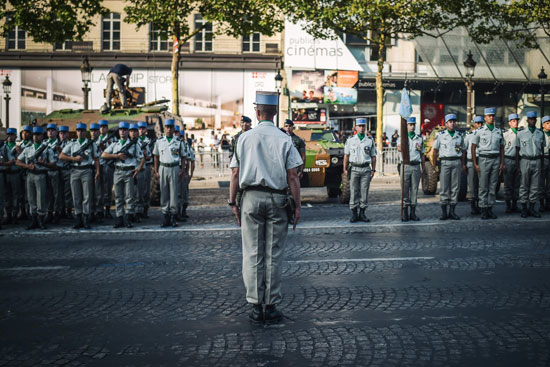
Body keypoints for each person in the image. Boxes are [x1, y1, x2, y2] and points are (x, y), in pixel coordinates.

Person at [229, 91, 302, 324]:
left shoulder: (245, 138)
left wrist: (233, 202)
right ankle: (270, 306)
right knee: (273, 254)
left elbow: (235, 173)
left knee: (252, 252)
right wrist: (298, 205)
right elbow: (293, 176)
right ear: (275, 113)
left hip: (250, 198)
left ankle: (254, 304)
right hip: (278, 200)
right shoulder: (284, 138)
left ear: (257, 112)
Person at [102, 122, 144, 228]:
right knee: (118, 196)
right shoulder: (115, 144)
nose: (122, 131)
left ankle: (129, 218)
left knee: (129, 196)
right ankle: (119, 218)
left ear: (128, 131)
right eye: (121, 130)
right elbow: (103, 155)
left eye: (125, 130)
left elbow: (142, 157)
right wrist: (116, 156)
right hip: (118, 172)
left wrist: (138, 169)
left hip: (129, 172)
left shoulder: (134, 144)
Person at [59, 123, 100, 229]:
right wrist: (74, 159)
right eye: (78, 130)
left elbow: (96, 158)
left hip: (86, 170)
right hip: (75, 170)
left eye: (82, 130)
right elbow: (61, 156)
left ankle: (86, 218)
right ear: (76, 132)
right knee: (76, 196)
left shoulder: (91, 144)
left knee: (87, 196)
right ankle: (78, 218)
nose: (80, 132)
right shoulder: (72, 144)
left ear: (85, 132)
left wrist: (97, 171)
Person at [16, 126, 56, 230]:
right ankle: (33, 220)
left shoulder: (47, 149)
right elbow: (18, 161)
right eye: (34, 135)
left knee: (41, 198)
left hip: (41, 174)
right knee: (31, 198)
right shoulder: (28, 149)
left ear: (42, 136)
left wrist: (45, 164)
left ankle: (41, 220)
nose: (35, 137)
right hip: (30, 174)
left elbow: (53, 164)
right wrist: (27, 166)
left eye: (38, 135)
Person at [153, 119, 187, 227]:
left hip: (174, 167)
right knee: (164, 193)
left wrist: (182, 169)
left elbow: (183, 156)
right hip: (163, 167)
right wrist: (156, 169)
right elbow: (156, 156)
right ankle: (165, 216)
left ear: (173, 129)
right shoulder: (159, 141)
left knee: (174, 193)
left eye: (170, 127)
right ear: (164, 129)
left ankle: (173, 216)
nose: (168, 129)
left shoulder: (178, 141)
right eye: (167, 127)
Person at [472, 108, 505, 220]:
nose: (491, 117)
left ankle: (490, 208)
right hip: (484, 159)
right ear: (485, 118)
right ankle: (483, 209)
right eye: (489, 116)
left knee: (493, 185)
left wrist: (501, 162)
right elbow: (473, 147)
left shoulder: (498, 131)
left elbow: (502, 148)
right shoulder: (480, 131)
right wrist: (475, 163)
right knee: (483, 186)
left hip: (495, 159)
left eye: (492, 116)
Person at [343, 118, 377, 222]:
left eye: (363, 126)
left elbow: (373, 156)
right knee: (353, 191)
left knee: (364, 192)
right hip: (354, 168)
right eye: (360, 126)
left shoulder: (369, 140)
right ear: (356, 128)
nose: (361, 128)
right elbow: (346, 155)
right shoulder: (350, 140)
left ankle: (362, 213)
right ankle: (354, 214)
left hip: (366, 169)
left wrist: (373, 170)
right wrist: (344, 168)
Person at [433, 114, 466, 220]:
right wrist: (435, 166)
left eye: (454, 121)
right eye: (450, 121)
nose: (452, 123)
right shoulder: (441, 135)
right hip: (445, 163)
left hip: (456, 162)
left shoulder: (459, 135)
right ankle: (444, 213)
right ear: (446, 124)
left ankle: (452, 211)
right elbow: (435, 151)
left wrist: (463, 163)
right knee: (444, 188)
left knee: (455, 188)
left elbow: (463, 150)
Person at [516, 113, 545, 218]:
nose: (532, 121)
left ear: (536, 121)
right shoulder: (521, 133)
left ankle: (532, 208)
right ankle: (524, 208)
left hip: (537, 160)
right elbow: (517, 150)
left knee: (534, 186)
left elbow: (542, 149)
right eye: (530, 119)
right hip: (525, 160)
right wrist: (518, 166)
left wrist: (541, 164)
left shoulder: (540, 133)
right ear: (527, 120)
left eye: (534, 119)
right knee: (524, 185)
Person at [397, 117, 425, 221]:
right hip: (405, 165)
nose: (412, 126)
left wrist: (423, 166)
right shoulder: (402, 137)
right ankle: (405, 212)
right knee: (405, 189)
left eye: (413, 124)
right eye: (410, 124)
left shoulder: (419, 138)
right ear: (406, 126)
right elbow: (398, 148)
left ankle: (412, 212)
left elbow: (422, 153)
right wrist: (403, 145)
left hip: (416, 165)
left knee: (414, 189)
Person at [464, 116, 483, 214]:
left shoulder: (484, 134)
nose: (479, 125)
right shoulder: (469, 135)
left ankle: (480, 205)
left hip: (481, 161)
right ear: (474, 124)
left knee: (481, 184)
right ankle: (473, 206)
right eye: (477, 123)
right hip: (471, 161)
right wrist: (463, 164)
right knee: (472, 184)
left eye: (481, 123)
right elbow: (464, 149)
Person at [503, 114, 521, 213]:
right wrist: (503, 163)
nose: (515, 122)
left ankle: (514, 204)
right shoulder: (505, 134)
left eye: (516, 120)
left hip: (518, 160)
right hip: (508, 159)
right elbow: (501, 149)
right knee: (508, 184)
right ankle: (508, 205)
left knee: (517, 184)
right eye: (513, 121)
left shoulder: (521, 133)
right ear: (509, 123)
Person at [97, 120, 116, 219]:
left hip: (108, 166)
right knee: (98, 190)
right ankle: (99, 210)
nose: (102, 129)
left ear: (107, 128)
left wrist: (105, 147)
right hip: (98, 166)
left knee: (108, 189)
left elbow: (114, 152)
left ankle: (107, 210)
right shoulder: (95, 138)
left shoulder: (112, 139)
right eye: (100, 127)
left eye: (104, 127)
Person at [44, 123, 62, 224]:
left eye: (53, 130)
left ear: (56, 132)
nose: (50, 132)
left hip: (55, 170)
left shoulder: (59, 144)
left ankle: (57, 213)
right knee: (48, 194)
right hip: (46, 171)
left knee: (56, 194)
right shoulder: (44, 143)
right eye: (49, 130)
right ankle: (49, 213)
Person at [2, 128, 21, 224]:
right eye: (8, 135)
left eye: (12, 135)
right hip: (5, 173)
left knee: (15, 195)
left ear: (15, 136)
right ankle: (8, 214)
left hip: (15, 173)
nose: (10, 137)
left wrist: (19, 152)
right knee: (6, 195)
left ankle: (14, 215)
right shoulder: (3, 147)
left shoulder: (18, 147)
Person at [136, 121, 153, 219]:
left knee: (146, 189)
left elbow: (151, 156)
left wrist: (146, 156)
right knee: (137, 190)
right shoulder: (134, 141)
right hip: (136, 166)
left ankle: (145, 209)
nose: (141, 130)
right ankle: (137, 210)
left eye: (143, 128)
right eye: (139, 128)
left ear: (146, 130)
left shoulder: (149, 141)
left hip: (145, 166)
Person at [57, 126, 73, 219]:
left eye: (64, 133)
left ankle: (69, 211)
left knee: (68, 192)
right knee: (58, 192)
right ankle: (60, 210)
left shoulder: (71, 144)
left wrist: (62, 152)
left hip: (67, 170)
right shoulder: (55, 143)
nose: (62, 135)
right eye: (60, 133)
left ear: (67, 134)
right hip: (57, 170)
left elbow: (73, 156)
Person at [89, 123, 103, 223]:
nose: (93, 133)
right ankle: (90, 212)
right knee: (89, 192)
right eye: (92, 131)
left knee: (98, 191)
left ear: (99, 132)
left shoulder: (101, 142)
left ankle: (98, 212)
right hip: (89, 168)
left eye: (95, 131)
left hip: (99, 167)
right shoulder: (87, 142)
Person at [542, 115, 550, 211]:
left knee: (549, 183)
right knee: (541, 183)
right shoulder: (540, 134)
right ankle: (541, 203)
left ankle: (548, 202)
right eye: (547, 123)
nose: (549, 125)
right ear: (543, 125)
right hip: (543, 159)